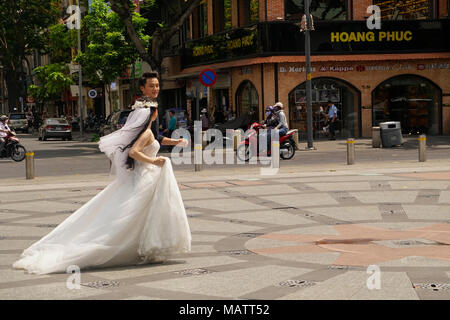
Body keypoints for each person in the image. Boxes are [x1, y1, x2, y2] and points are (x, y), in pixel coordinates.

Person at [13, 72, 191, 274]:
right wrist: (155, 160)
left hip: (146, 177)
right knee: (127, 217)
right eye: (152, 85)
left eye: (157, 85)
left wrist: (175, 142)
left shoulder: (147, 126)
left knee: (136, 215)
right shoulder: (145, 120)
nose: (156, 88)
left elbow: (155, 139)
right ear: (143, 90)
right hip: (144, 177)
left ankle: (144, 246)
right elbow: (135, 151)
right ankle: (129, 246)